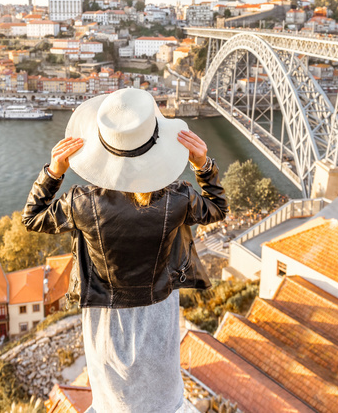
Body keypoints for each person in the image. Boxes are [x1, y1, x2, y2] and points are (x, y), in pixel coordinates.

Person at [23, 88, 227, 413]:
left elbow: (32, 218)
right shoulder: (178, 198)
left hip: (105, 315)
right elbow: (218, 208)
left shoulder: (81, 202)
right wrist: (204, 165)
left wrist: (53, 172)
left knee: (112, 399)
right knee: (163, 398)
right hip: (159, 309)